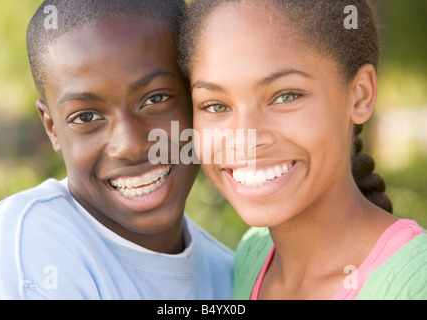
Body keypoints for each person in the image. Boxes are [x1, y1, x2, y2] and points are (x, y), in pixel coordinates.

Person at [0, 0, 233, 300]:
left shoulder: (231, 274)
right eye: (86, 117)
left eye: (155, 99)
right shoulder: (29, 243)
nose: (130, 145)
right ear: (52, 128)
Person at [178, 0, 427, 299]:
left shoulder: (414, 284)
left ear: (360, 95)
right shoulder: (255, 255)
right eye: (215, 105)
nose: (244, 138)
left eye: (285, 96)